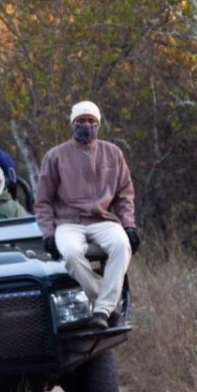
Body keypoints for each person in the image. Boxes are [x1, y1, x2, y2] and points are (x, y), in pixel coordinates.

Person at [34, 101, 140, 330]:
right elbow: (43, 201)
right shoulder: (55, 156)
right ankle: (110, 305)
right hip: (68, 222)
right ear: (72, 123)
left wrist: (129, 225)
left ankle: (101, 310)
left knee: (122, 245)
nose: (86, 125)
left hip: (104, 219)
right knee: (71, 254)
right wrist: (48, 233)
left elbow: (124, 195)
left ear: (98, 125)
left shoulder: (113, 153)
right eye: (81, 121)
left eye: (92, 121)